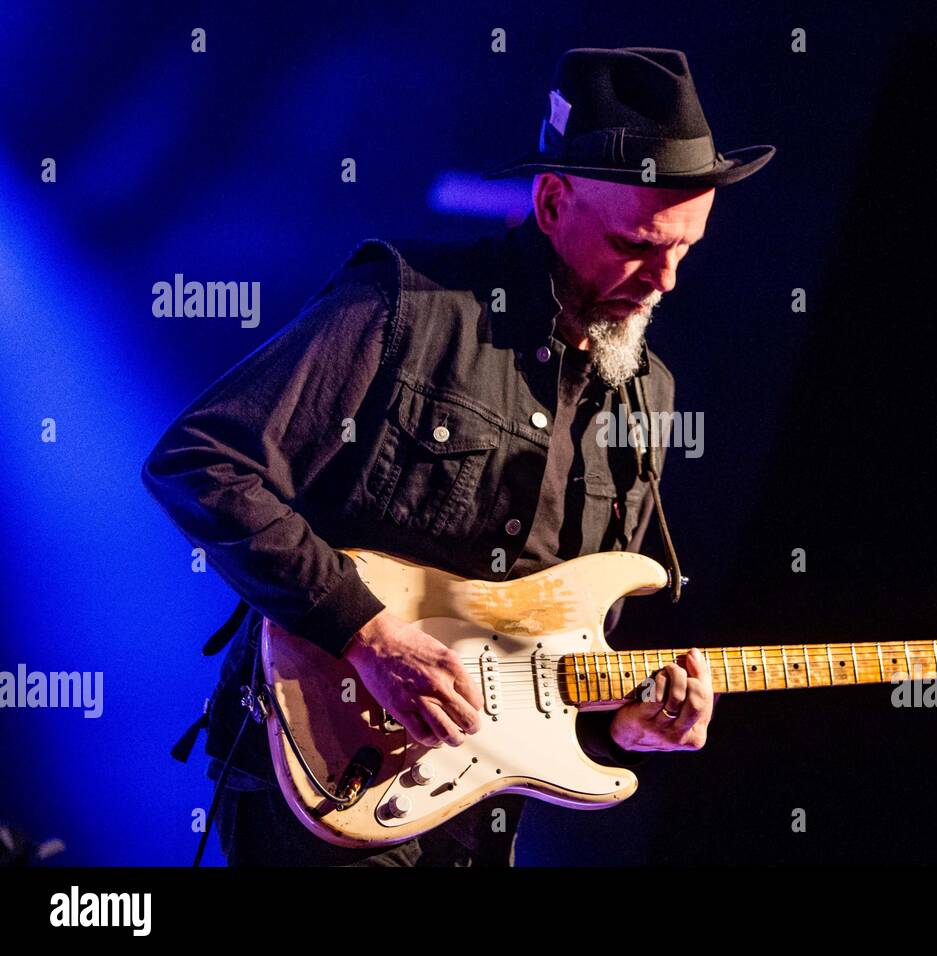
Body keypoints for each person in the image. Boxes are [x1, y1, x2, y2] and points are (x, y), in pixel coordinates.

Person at [143, 46, 774, 866]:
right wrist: (366, 632)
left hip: (480, 810)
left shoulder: (646, 393)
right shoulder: (407, 302)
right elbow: (200, 461)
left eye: (685, 249)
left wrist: (632, 716)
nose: (665, 280)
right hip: (330, 770)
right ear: (552, 202)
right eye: (638, 245)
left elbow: (565, 642)